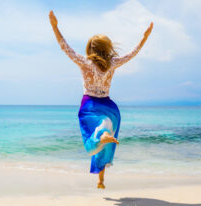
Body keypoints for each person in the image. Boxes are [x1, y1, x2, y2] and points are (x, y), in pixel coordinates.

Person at [49, 10, 153, 189]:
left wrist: (55, 27)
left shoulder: (84, 62)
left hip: (90, 105)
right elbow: (132, 54)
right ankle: (101, 180)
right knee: (104, 144)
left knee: (97, 136)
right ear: (107, 49)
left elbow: (64, 47)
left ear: (91, 48)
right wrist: (144, 38)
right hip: (110, 108)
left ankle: (103, 136)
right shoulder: (113, 63)